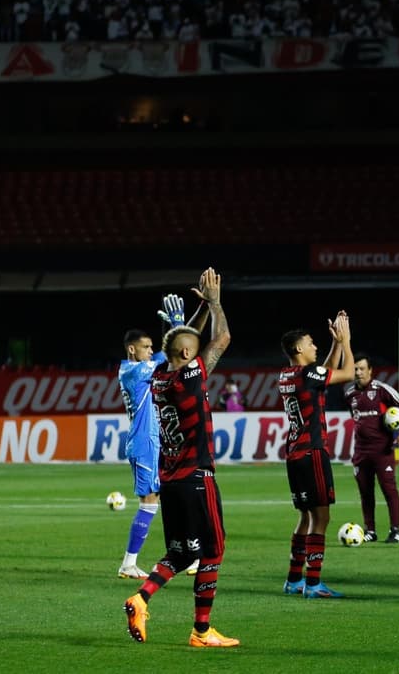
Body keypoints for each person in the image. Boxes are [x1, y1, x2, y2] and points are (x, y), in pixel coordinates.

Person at [124, 267, 239, 647]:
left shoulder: (159, 376)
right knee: (213, 550)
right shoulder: (189, 377)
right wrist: (216, 303)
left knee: (182, 549)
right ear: (189, 355)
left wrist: (199, 308)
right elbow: (222, 337)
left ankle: (140, 598)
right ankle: (202, 631)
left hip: (170, 478)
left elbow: (180, 342)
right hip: (196, 477)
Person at [116, 293, 207, 580]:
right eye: (145, 347)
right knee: (150, 501)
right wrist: (176, 327)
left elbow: (169, 356)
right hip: (144, 443)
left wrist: (173, 329)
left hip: (157, 441)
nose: (150, 351)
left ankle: (188, 554)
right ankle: (129, 563)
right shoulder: (132, 370)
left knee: (172, 497)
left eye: (151, 347)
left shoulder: (142, 368)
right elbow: (172, 357)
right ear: (132, 350)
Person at [277, 312, 355, 598]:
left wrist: (335, 343)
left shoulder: (288, 374)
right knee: (321, 519)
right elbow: (346, 374)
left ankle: (294, 579)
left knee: (305, 517)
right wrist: (346, 342)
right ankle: (313, 584)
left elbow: (324, 372)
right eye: (311, 344)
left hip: (294, 453)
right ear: (299, 349)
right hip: (312, 452)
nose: (315, 347)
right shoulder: (308, 374)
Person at [344, 353, 399, 544]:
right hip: (360, 452)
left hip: (382, 452)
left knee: (389, 490)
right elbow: (357, 419)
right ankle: (370, 531)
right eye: (355, 369)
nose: (358, 372)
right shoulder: (349, 394)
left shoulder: (382, 390)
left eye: (362, 369)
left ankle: (396, 531)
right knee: (366, 493)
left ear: (370, 370)